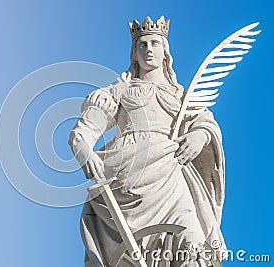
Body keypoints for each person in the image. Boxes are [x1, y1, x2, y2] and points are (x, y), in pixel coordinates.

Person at [68, 16, 226, 266]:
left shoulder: (180, 95)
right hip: (125, 176)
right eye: (142, 44)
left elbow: (205, 122)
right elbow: (86, 129)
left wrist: (200, 135)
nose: (148, 49)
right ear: (134, 52)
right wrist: (84, 150)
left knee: (192, 240)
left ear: (165, 51)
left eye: (154, 43)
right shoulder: (119, 90)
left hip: (171, 174)